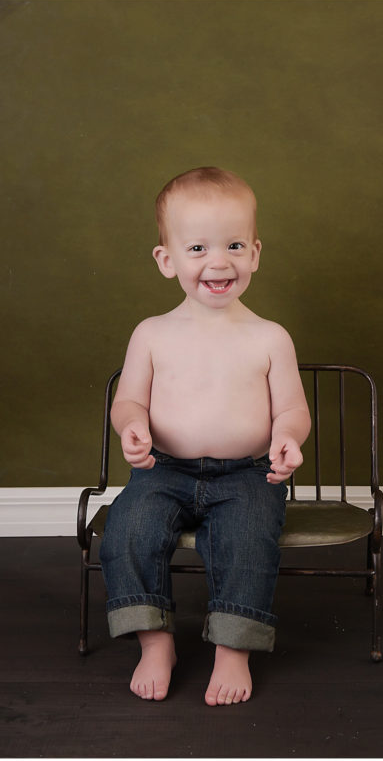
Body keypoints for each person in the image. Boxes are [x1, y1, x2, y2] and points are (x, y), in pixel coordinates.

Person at [99, 167, 311, 707]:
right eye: (197, 247)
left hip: (248, 474)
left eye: (235, 245)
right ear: (167, 260)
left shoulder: (269, 337)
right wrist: (132, 426)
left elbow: (291, 407)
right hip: (163, 470)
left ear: (256, 253)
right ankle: (155, 641)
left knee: (246, 540)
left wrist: (287, 436)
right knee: (128, 529)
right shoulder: (152, 333)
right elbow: (128, 400)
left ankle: (233, 649)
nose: (219, 262)